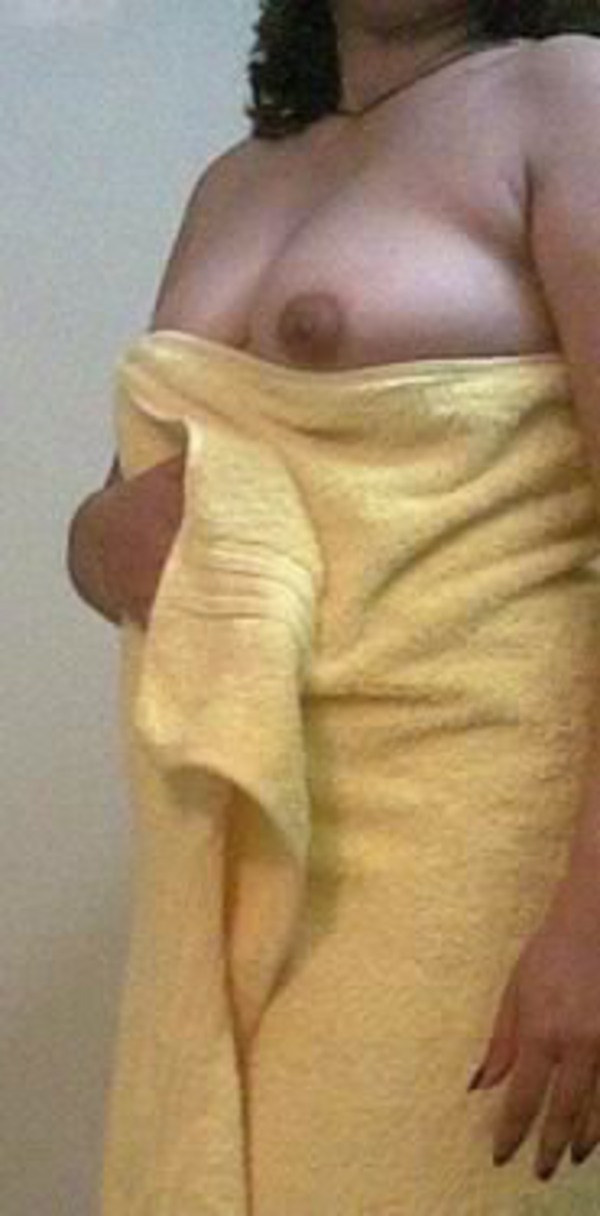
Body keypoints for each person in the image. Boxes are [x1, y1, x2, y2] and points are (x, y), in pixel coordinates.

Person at [67, 2, 600, 1208]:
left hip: (468, 826)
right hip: (239, 839)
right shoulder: (231, 182)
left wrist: (593, 919)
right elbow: (124, 514)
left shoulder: (564, 97)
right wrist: (94, 542)